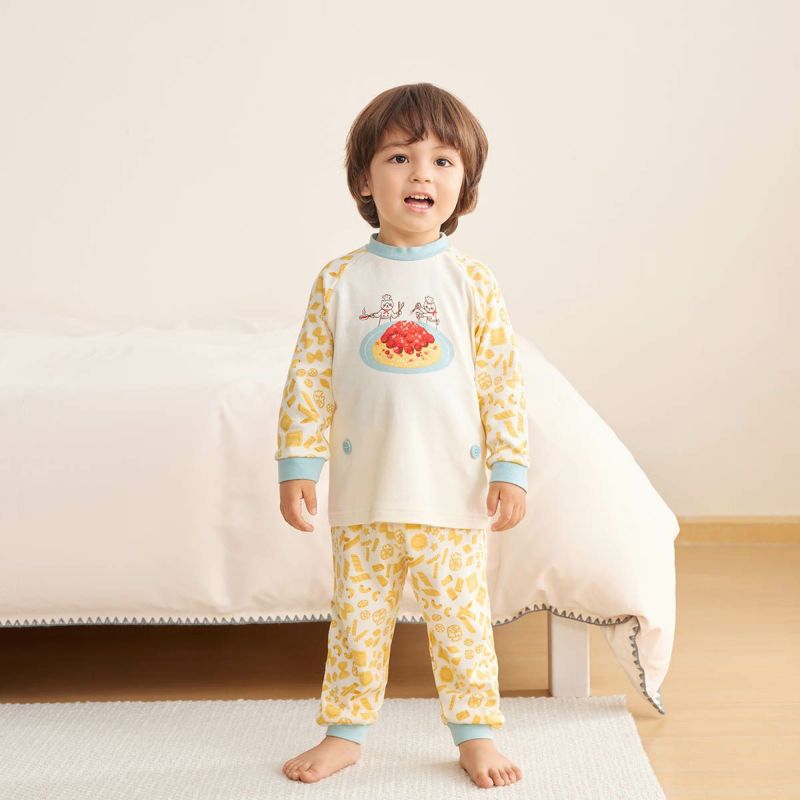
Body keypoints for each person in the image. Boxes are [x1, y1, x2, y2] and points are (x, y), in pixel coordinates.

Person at [275, 82, 528, 788]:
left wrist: (510, 467)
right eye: (399, 157)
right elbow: (309, 379)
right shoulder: (339, 280)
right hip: (365, 493)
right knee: (356, 624)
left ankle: (475, 733)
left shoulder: (472, 281)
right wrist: (298, 463)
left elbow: (502, 382)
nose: (422, 173)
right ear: (365, 179)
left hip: (452, 493)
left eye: (443, 161)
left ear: (463, 186)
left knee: (461, 623)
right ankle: (345, 732)